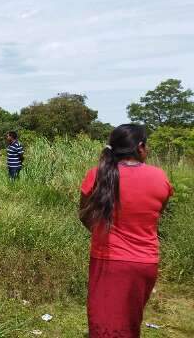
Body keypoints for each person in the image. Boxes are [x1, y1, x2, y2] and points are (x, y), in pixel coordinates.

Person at [79, 124, 173, 337]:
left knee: (103, 324)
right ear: (140, 147)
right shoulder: (159, 177)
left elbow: (84, 215)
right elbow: (156, 216)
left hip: (108, 261)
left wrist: (102, 234)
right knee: (130, 323)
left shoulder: (96, 175)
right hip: (146, 263)